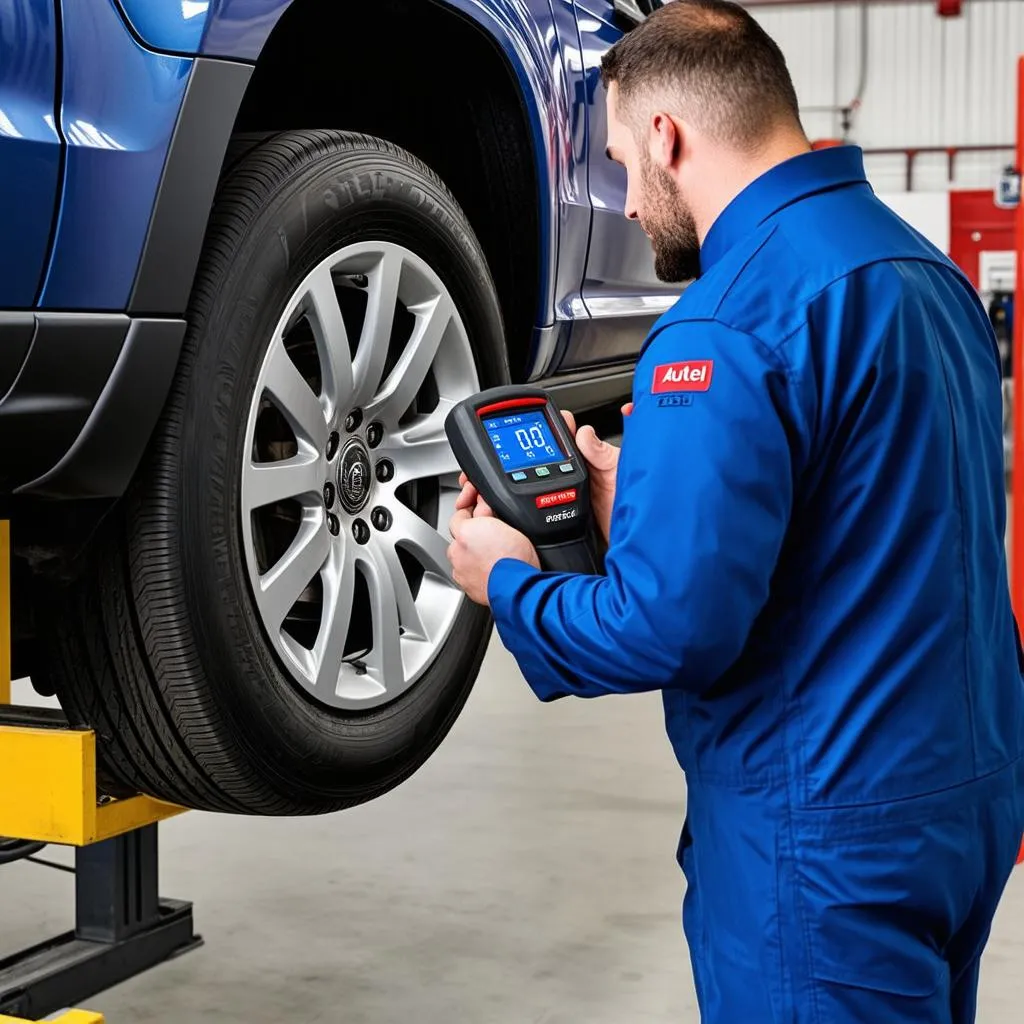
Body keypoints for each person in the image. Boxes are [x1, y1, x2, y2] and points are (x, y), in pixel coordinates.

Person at [446, 1, 1024, 1021]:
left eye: (623, 159)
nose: (625, 200)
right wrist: (642, 505)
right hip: (961, 808)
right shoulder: (922, 277)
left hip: (824, 842)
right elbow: (876, 520)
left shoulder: (721, 323)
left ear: (668, 137)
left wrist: (505, 580)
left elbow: (666, 630)